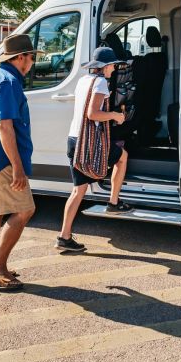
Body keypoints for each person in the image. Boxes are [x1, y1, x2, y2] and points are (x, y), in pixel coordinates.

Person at [0, 33, 39, 290]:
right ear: (20, 57)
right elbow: (4, 126)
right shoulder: (9, 82)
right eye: (31, 57)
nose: (33, 62)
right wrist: (18, 168)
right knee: (24, 210)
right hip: (2, 161)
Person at [58, 46, 133, 252]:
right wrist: (115, 116)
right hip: (88, 142)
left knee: (77, 190)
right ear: (106, 66)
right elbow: (92, 114)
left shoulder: (84, 81)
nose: (114, 68)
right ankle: (114, 202)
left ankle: (64, 236)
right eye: (113, 65)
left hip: (74, 139)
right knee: (122, 157)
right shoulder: (101, 83)